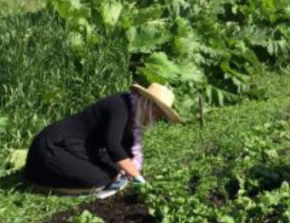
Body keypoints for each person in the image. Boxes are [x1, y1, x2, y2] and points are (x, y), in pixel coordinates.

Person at [24, 83, 181, 197]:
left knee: (113, 171)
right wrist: (138, 178)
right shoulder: (119, 106)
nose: (156, 118)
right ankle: (43, 184)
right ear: (148, 104)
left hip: (81, 147)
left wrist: (130, 169)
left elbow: (125, 149)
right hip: (52, 148)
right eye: (157, 113)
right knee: (99, 179)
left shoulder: (133, 116)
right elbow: (113, 145)